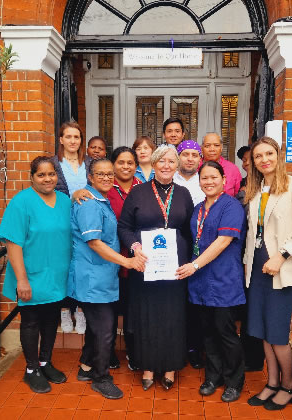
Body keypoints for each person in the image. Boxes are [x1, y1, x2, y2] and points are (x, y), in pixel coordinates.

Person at [243, 136, 292, 410]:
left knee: (277, 332)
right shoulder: (257, 189)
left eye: (269, 154)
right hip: (258, 269)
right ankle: (272, 383)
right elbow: (254, 234)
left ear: (278, 155)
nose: (264, 160)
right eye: (259, 156)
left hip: (281, 268)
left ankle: (289, 385)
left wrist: (282, 256)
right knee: (262, 331)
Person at [118, 144, 194, 391]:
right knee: (147, 315)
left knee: (173, 315)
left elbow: (189, 231)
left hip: (174, 268)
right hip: (145, 266)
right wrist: (134, 248)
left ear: (177, 165)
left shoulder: (183, 194)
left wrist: (188, 260)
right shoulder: (138, 192)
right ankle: (148, 366)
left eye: (171, 162)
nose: (166, 166)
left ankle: (171, 367)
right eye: (162, 161)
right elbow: (124, 227)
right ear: (154, 163)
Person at [69, 158, 146, 399]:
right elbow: (94, 242)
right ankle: (101, 378)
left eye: (109, 174)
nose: (106, 177)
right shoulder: (90, 203)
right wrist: (128, 262)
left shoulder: (99, 200)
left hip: (102, 276)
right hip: (92, 278)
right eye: (99, 174)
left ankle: (85, 367)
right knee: (104, 330)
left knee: (97, 327)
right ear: (90, 177)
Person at [0, 156, 70, 393]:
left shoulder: (65, 201)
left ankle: (45, 362)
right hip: (31, 275)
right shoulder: (22, 202)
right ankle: (31, 369)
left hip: (56, 274)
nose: (47, 179)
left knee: (51, 319)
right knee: (31, 321)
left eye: (51, 174)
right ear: (32, 177)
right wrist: (22, 280)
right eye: (41, 175)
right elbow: (13, 243)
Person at [177, 160, 246, 402]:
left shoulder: (232, 207)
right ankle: (213, 376)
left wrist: (194, 265)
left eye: (213, 177)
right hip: (201, 282)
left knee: (225, 332)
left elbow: (223, 241)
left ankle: (234, 381)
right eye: (204, 178)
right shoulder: (198, 208)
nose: (209, 182)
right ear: (199, 181)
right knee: (208, 333)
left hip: (223, 280)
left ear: (224, 180)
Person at [50, 121, 90, 336]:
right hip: (62, 223)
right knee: (64, 267)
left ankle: (81, 309)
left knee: (82, 267)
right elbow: (47, 193)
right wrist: (71, 196)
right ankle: (65, 309)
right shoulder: (53, 164)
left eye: (77, 137)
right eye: (69, 137)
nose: (73, 141)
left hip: (85, 224)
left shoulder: (90, 163)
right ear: (61, 139)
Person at [107, 146, 142, 370]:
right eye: (121, 162)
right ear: (113, 165)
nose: (126, 166)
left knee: (132, 309)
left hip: (137, 260)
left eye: (130, 162)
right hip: (110, 259)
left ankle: (133, 351)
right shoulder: (103, 189)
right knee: (110, 308)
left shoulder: (143, 188)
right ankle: (108, 351)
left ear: (136, 166)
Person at [172, 139, 205, 370]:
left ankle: (194, 348)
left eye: (195, 155)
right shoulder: (167, 177)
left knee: (194, 303)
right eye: (186, 154)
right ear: (178, 157)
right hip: (172, 249)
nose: (190, 158)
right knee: (175, 301)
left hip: (199, 250)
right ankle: (174, 346)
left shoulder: (205, 181)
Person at [235, 144, 266, 372]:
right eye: (246, 160)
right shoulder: (245, 188)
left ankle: (254, 359)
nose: (248, 163)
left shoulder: (264, 188)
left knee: (257, 307)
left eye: (250, 159)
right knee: (248, 307)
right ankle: (247, 355)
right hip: (245, 255)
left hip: (264, 257)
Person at [173, 140, 205, 206]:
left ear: (200, 160)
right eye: (185, 155)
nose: (190, 159)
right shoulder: (168, 179)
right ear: (177, 158)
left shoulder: (206, 182)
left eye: (194, 155)